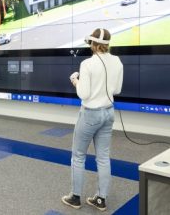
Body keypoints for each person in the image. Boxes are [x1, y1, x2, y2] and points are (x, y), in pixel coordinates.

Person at [62, 28, 123, 211]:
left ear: (94, 44)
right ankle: (100, 199)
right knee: (103, 157)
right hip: (108, 113)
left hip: (90, 115)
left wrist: (75, 80)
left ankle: (75, 197)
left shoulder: (87, 64)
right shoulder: (117, 61)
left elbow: (84, 94)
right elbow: (117, 90)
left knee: (78, 156)